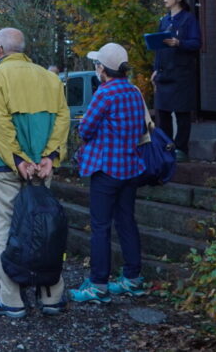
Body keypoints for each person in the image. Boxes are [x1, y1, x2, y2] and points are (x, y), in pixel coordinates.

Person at [0, 27, 71, 319]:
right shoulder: (49, 78)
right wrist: (51, 157)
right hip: (42, 167)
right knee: (45, 228)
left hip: (5, 166)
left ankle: (13, 300)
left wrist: (17, 158)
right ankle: (51, 296)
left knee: (5, 231)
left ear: (0, 50)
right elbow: (63, 119)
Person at [69, 43, 148, 304]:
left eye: (96, 64)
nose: (95, 68)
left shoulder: (104, 93)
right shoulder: (134, 92)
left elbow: (85, 129)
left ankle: (99, 284)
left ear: (102, 68)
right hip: (130, 167)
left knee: (100, 227)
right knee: (127, 221)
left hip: (106, 169)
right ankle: (132, 278)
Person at [152, 0, 200, 161]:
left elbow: (196, 43)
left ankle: (181, 149)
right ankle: (165, 146)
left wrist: (179, 43)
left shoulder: (189, 19)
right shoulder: (163, 20)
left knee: (182, 112)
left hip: (181, 72)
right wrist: (155, 70)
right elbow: (158, 47)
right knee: (162, 112)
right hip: (164, 72)